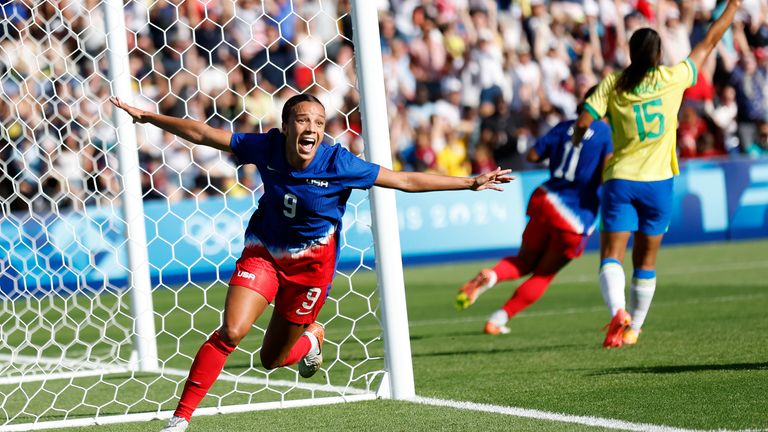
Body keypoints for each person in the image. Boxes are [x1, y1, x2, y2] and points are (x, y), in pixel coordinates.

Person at [109, 94, 513, 432]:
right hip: (264, 252)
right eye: (303, 120)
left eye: (319, 122)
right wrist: (149, 117)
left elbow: (405, 181)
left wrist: (470, 181)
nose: (312, 129)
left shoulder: (339, 163)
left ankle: (311, 338)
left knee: (271, 360)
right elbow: (203, 134)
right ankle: (180, 420)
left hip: (311, 272)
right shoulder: (266, 147)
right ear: (287, 126)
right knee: (232, 329)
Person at [570, 0, 743, 348]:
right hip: (659, 183)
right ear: (659, 53)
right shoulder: (673, 77)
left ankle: (618, 312)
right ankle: (634, 329)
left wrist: (579, 139)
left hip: (621, 179)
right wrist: (733, 6)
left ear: (631, 53)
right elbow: (709, 40)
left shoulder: (614, 84)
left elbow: (584, 122)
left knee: (611, 257)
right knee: (645, 262)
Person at [455, 87, 613, 335]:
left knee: (524, 261)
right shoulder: (607, 134)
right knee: (544, 274)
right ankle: (497, 319)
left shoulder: (563, 127)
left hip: (546, 199)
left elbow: (533, 153)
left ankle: (492, 275)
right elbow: (607, 175)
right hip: (576, 215)